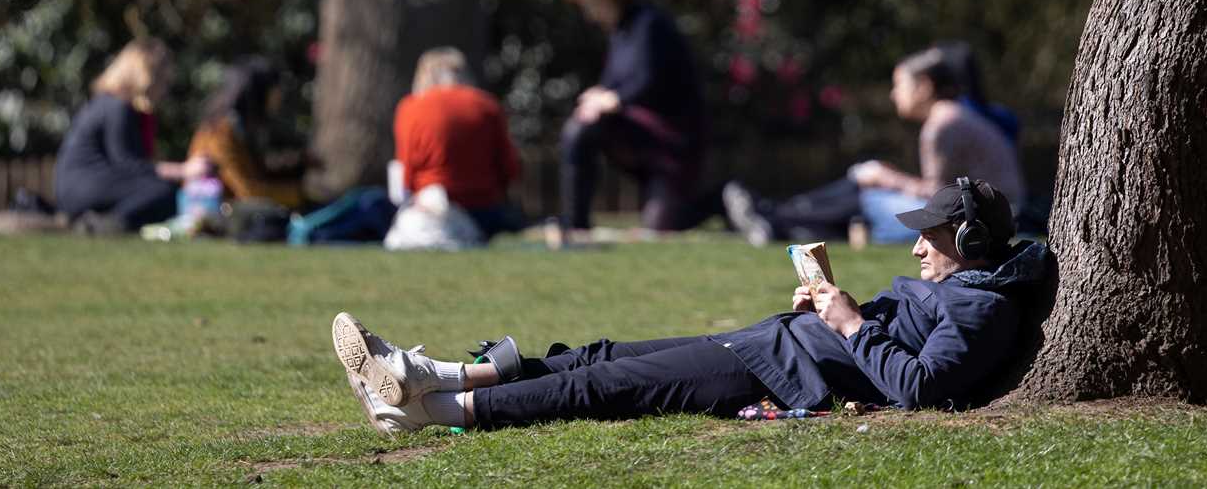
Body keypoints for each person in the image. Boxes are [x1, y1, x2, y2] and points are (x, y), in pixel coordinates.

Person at [330, 179, 1049, 432]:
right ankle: (434, 373)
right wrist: (828, 307)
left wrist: (850, 322)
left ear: (968, 237)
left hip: (780, 372)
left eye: (929, 236)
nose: (917, 250)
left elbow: (920, 387)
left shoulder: (981, 310)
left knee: (602, 386)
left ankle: (426, 409)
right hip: (780, 345)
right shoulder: (963, 290)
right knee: (602, 355)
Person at [724, 45, 1026, 246]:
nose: (894, 95)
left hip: (980, 221)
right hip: (996, 213)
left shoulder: (942, 126)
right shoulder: (958, 116)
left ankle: (774, 216)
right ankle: (776, 218)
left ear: (923, 87)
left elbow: (939, 196)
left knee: (867, 193)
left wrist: (885, 177)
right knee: (864, 187)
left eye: (900, 85)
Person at [558, 0, 707, 233]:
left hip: (671, 146)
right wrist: (597, 95)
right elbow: (615, 84)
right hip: (642, 141)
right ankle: (576, 225)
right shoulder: (620, 33)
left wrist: (611, 99)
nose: (588, 13)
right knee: (579, 128)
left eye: (589, 2)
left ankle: (724, 198)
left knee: (663, 226)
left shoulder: (649, 24)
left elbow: (645, 82)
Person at [54, 38, 210, 233]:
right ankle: (106, 224)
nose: (165, 89)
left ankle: (100, 221)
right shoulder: (117, 107)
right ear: (146, 75)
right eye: (163, 80)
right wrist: (183, 170)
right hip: (83, 189)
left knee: (161, 191)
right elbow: (128, 165)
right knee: (163, 193)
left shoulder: (108, 103)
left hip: (78, 189)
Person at [391, 47, 521, 241]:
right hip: (483, 208)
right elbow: (509, 167)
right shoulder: (487, 105)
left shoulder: (411, 107)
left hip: (432, 203)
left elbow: (405, 170)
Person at [186, 56, 306, 210]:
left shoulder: (240, 128)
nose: (279, 97)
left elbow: (256, 175)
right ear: (259, 93)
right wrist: (300, 193)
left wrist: (297, 164)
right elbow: (248, 191)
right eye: (275, 90)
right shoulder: (220, 132)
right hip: (215, 213)